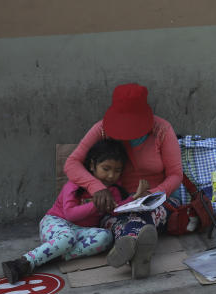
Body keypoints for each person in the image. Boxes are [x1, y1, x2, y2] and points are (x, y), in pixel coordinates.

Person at [64, 82, 183, 279]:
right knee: (113, 219)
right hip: (118, 202)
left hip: (161, 199)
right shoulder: (102, 129)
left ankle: (129, 248)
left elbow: (176, 175)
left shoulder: (161, 129)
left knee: (147, 215)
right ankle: (138, 256)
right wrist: (96, 188)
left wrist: (152, 196)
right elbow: (72, 163)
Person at [1, 138, 145, 283]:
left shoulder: (113, 190)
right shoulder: (75, 185)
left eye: (117, 171)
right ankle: (23, 262)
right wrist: (96, 205)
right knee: (67, 237)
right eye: (106, 169)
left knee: (106, 237)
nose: (111, 175)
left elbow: (115, 210)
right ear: (92, 165)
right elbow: (70, 214)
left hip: (82, 231)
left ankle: (52, 255)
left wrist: (135, 198)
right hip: (56, 222)